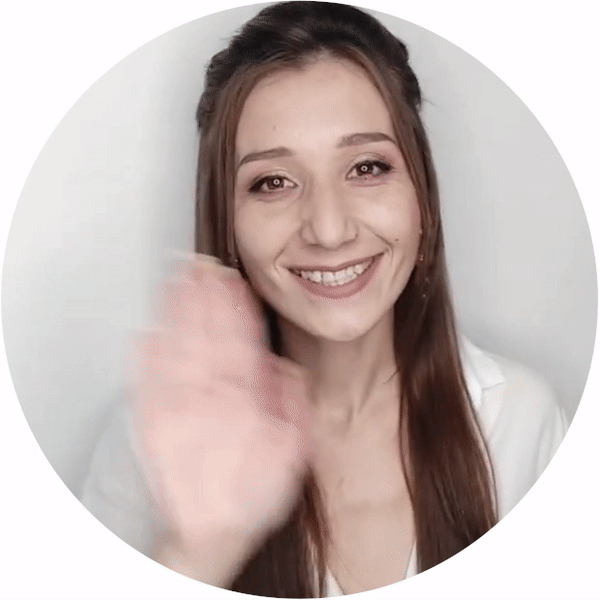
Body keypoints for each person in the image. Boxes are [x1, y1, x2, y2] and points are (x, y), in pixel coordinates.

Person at [81, 2, 568, 597]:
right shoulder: (146, 447)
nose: (330, 230)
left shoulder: (522, 420)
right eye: (273, 182)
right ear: (227, 222)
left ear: (422, 199)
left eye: (367, 167)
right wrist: (199, 552)